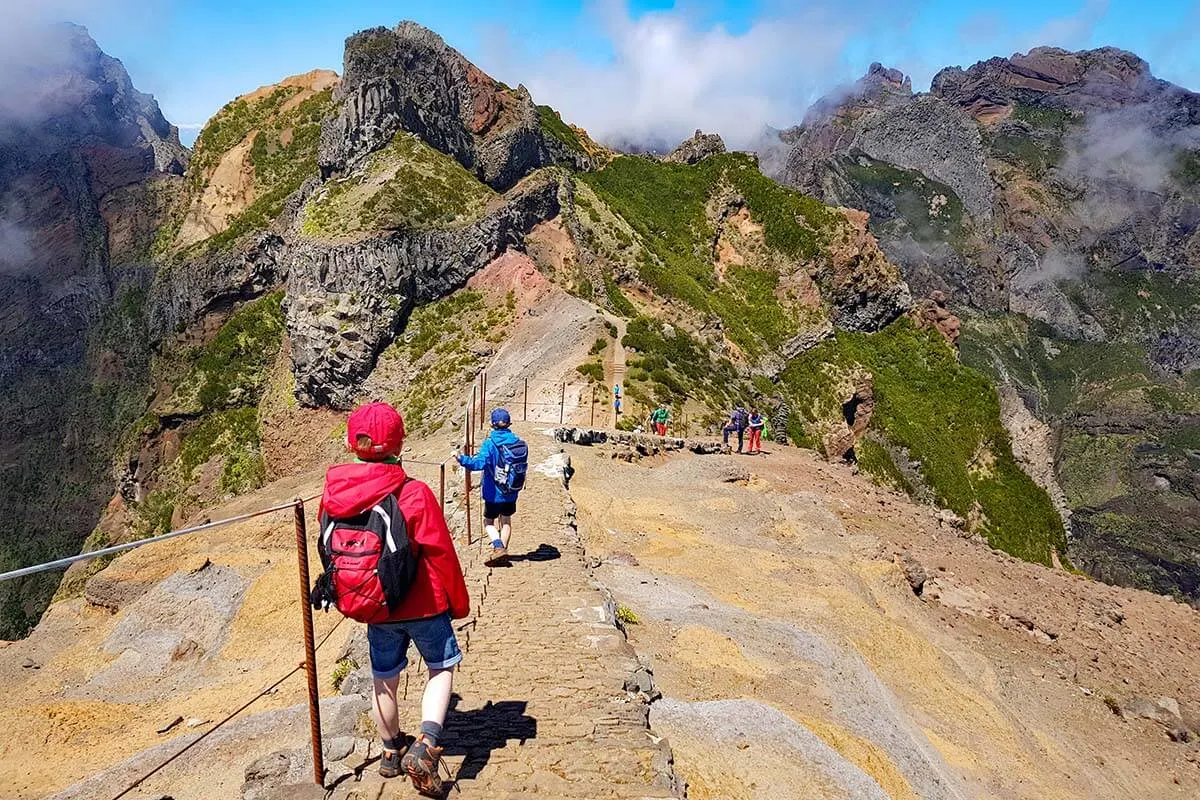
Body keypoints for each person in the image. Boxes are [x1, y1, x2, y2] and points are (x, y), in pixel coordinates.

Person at [318, 402, 469, 795]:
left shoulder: (333, 494)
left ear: (354, 441)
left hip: (374, 604)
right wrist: (459, 600)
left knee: (384, 677)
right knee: (441, 667)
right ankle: (427, 744)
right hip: (424, 604)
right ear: (399, 442)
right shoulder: (413, 492)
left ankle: (389, 751)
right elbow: (440, 553)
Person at [458, 408, 527, 566]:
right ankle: (502, 551)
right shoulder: (518, 442)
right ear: (508, 423)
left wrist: (461, 458)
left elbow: (478, 464)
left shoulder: (490, 443)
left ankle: (498, 547)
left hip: (493, 492)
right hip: (511, 491)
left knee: (488, 522)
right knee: (506, 521)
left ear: (492, 424)